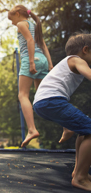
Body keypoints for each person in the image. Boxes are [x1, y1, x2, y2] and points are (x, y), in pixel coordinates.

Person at [33, 33, 91, 191]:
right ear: (85, 50)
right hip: (51, 101)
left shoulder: (65, 63)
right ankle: (81, 177)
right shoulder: (77, 60)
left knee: (85, 130)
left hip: (42, 102)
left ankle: (78, 172)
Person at [8, 5, 53, 147]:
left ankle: (32, 129)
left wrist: (32, 62)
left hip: (31, 59)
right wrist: (50, 64)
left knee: (23, 95)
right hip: (43, 61)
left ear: (17, 14)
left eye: (12, 19)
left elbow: (30, 41)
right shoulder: (34, 25)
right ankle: (66, 125)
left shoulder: (22, 24)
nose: (12, 22)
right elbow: (44, 45)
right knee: (43, 97)